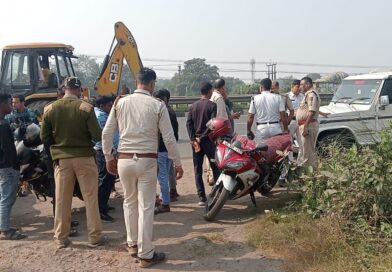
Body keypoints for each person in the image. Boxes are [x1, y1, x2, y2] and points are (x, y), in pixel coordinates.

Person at [102, 68, 183, 268]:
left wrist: (108, 157)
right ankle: (146, 253)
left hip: (124, 159)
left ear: (136, 82)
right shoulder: (158, 104)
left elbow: (106, 133)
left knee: (129, 202)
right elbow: (169, 137)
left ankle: (132, 243)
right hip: (147, 160)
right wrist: (178, 162)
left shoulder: (120, 102)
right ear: (152, 84)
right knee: (146, 206)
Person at [40, 76, 105, 249]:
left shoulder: (50, 108)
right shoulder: (85, 108)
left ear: (63, 89)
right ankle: (95, 237)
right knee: (91, 198)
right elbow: (97, 136)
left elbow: (44, 137)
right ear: (79, 90)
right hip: (85, 157)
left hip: (62, 160)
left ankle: (61, 238)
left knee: (62, 199)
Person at [186, 82, 220, 206]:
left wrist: (193, 138)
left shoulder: (193, 106)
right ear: (210, 91)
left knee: (198, 170)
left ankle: (201, 197)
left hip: (196, 143)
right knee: (215, 167)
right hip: (208, 142)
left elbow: (188, 124)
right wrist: (202, 137)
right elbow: (212, 125)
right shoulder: (212, 105)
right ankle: (217, 193)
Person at [0, 94, 27, 240]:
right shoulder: (3, 125)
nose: (11, 106)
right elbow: (9, 150)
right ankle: (5, 230)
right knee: (7, 199)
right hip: (8, 167)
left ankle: (2, 225)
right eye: (8, 103)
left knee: (3, 197)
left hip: (2, 167)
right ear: (2, 105)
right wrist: (16, 166)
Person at [153, 89, 179, 213]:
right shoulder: (171, 111)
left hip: (162, 148)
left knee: (161, 176)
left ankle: (165, 203)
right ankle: (165, 198)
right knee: (166, 175)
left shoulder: (162, 112)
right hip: (169, 148)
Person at [94, 95, 119, 223]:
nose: (111, 107)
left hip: (110, 150)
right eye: (109, 105)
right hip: (104, 152)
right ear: (102, 106)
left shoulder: (103, 114)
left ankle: (104, 204)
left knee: (109, 179)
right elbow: (104, 135)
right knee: (105, 180)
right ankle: (100, 210)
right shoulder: (100, 116)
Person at [247, 78, 288, 143]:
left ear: (261, 87)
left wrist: (248, 130)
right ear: (270, 87)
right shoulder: (278, 97)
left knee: (261, 150)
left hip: (261, 128)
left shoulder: (255, 98)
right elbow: (283, 115)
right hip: (275, 128)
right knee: (276, 150)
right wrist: (285, 129)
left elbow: (250, 116)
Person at [296, 76, 320, 169]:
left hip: (308, 125)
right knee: (307, 150)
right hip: (306, 124)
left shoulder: (311, 94)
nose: (300, 86)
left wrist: (305, 126)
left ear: (308, 84)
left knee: (308, 152)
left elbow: (312, 111)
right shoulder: (308, 94)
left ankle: (310, 173)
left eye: (302, 84)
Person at [288, 80, 305, 163]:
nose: (299, 89)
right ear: (292, 86)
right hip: (291, 122)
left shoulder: (303, 96)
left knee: (302, 142)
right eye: (297, 87)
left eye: (300, 87)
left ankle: (300, 161)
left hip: (301, 122)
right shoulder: (287, 96)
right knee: (289, 142)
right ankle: (289, 161)